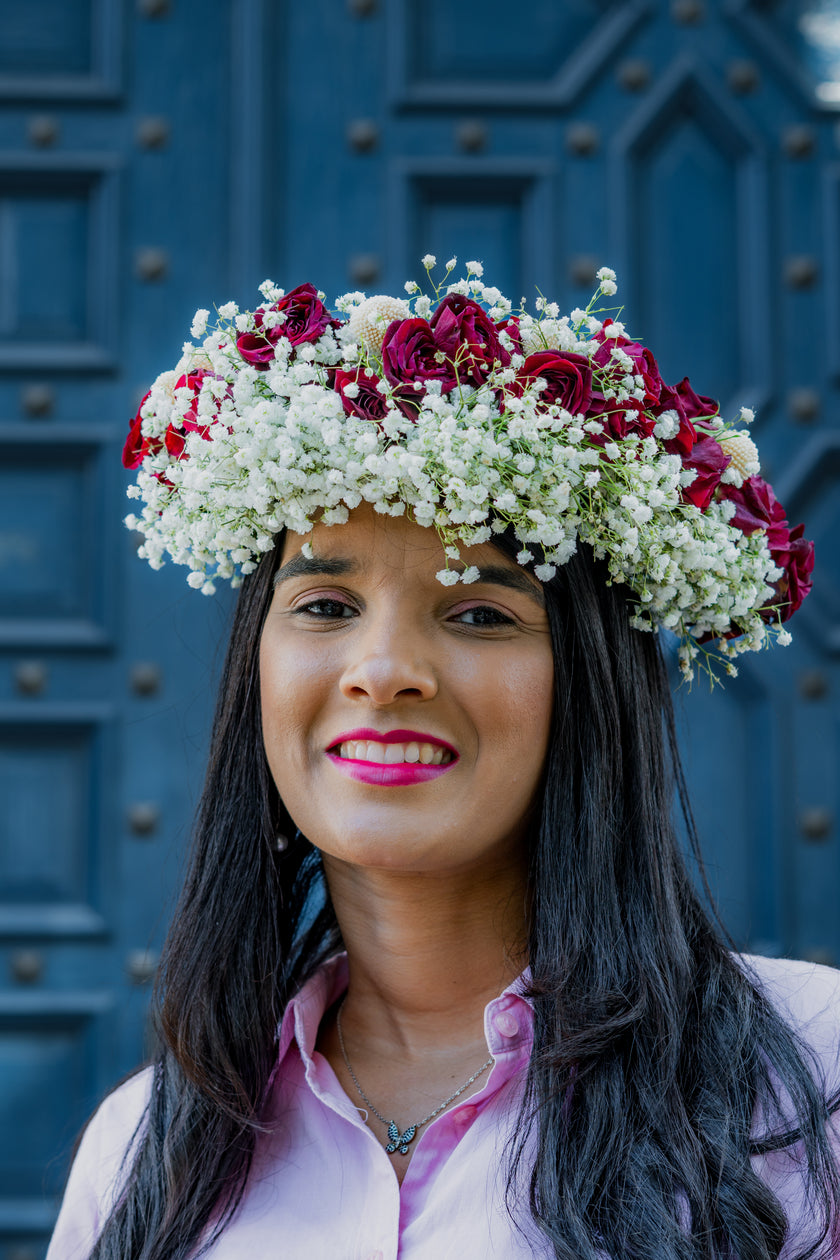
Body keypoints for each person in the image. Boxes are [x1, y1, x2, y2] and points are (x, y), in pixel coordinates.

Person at [47, 261, 836, 1260]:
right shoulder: (142, 1154)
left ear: (590, 683)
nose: (382, 672)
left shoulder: (814, 1072)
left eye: (479, 613)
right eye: (326, 606)